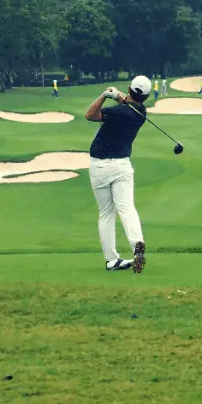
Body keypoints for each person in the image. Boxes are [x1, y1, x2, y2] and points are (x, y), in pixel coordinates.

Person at [84, 76, 152, 273]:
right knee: (127, 208)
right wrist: (118, 96)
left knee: (106, 213)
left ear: (130, 89)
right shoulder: (141, 112)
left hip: (100, 167)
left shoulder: (115, 112)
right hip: (122, 166)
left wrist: (104, 95)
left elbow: (90, 114)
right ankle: (137, 244)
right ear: (146, 96)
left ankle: (111, 259)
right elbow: (129, 102)